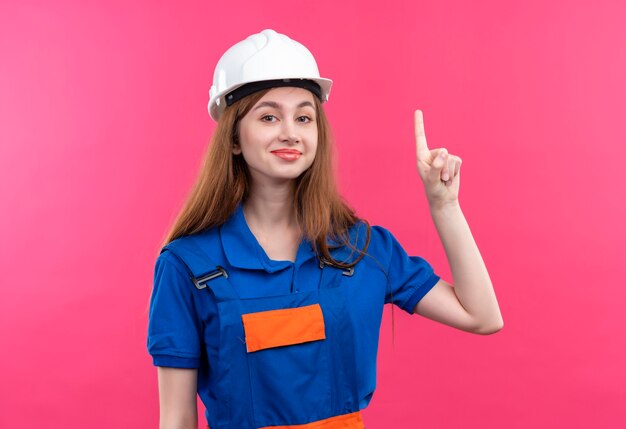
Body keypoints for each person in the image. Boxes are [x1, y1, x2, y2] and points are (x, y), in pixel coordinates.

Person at [147, 29, 503, 429]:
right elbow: (177, 418)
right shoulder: (187, 265)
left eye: (304, 117)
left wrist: (445, 206)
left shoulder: (361, 248)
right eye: (268, 117)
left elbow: (482, 316)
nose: (290, 132)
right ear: (232, 138)